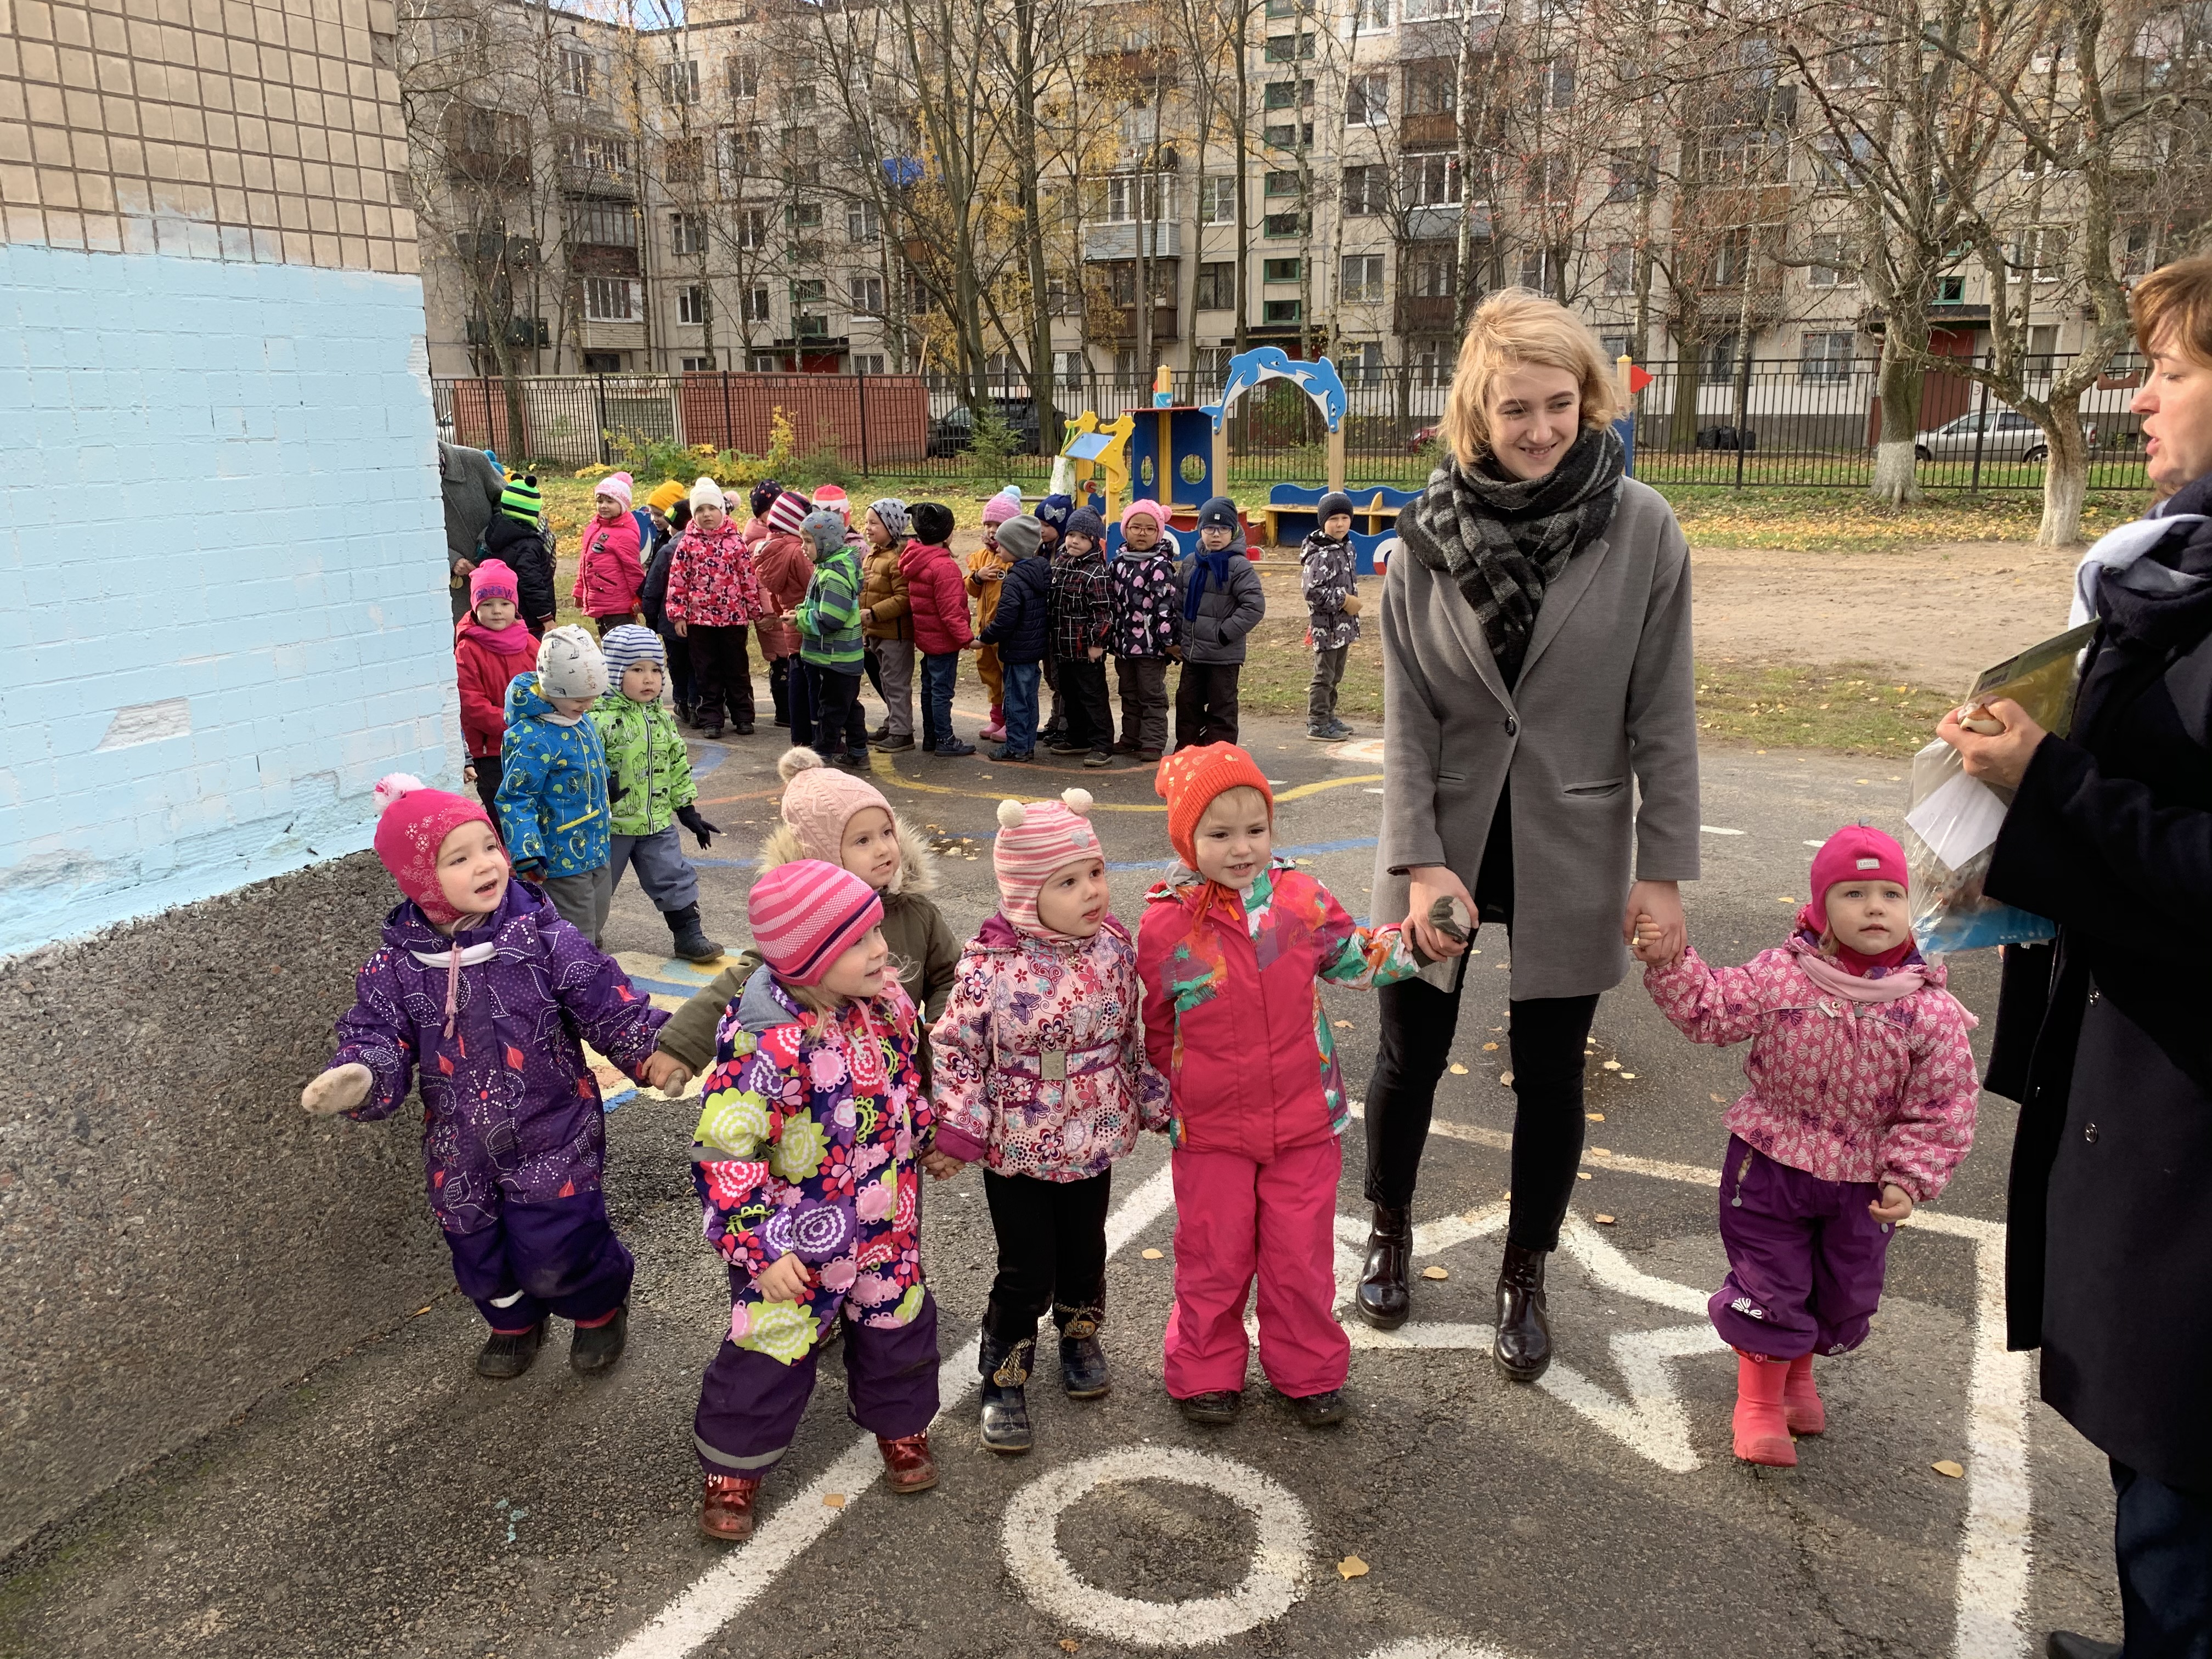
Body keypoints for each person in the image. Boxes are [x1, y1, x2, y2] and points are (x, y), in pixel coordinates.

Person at [1938, 252, 2212, 1659]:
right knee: (2152, 1447)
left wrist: (2048, 780)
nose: (2139, 398)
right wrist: (2023, 786)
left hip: (2191, 1090)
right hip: (2139, 1063)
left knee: (2184, 1460)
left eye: (2169, 371)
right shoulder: (2173, 567)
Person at [1358, 289, 1699, 1387]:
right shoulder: (1423, 537)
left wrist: (1663, 871)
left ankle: (1524, 1269)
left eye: (1558, 404)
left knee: (1551, 1074)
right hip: (1441, 837)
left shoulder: (1642, 528)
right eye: (1516, 409)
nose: (1541, 428)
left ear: (1587, 398)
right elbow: (1407, 718)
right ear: (1477, 409)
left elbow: (1663, 712)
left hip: (1573, 838)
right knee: (1408, 1054)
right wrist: (1419, 859)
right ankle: (1388, 1229)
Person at [1633, 826, 1978, 1466]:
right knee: (1770, 1284)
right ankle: (1758, 1404)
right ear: (1821, 908)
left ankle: (1796, 1376)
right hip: (1770, 1163)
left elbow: (1944, 1105)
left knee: (1841, 1293)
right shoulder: (1784, 978)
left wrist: (1908, 1176)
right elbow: (1713, 1009)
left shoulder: (1927, 1011)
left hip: (1862, 1181)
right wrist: (1669, 963)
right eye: (1853, 893)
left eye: (1891, 894)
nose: (1874, 908)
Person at [301, 774, 665, 1379]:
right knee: (474, 1240)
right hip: (459, 1139)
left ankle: (598, 1309)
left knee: (561, 1238)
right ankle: (513, 1322)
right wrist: (363, 1072)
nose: (487, 865)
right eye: (459, 858)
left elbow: (605, 999)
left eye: (490, 846)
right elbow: (376, 1029)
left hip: (553, 1126)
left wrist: (651, 1050)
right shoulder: (396, 966)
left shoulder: (542, 938)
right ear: (420, 878)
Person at [1137, 744, 1424, 1427]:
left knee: (1301, 1259)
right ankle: (1205, 1370)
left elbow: (1356, 957)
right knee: (1213, 1258)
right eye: (1220, 834)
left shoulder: (1300, 901)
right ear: (1186, 839)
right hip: (1211, 1132)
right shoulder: (1168, 926)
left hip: (1305, 1123)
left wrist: (1421, 942)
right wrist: (1159, 1097)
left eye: (1256, 829)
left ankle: (1309, 1370)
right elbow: (1153, 1024)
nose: (1242, 848)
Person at [687, 859, 945, 1543]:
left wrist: (926, 1135)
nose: (882, 950)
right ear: (810, 959)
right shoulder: (765, 1042)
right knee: (768, 1348)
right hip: (794, 1244)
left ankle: (901, 1426)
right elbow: (727, 1153)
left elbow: (902, 1087)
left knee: (897, 1327)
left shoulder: (887, 1008)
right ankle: (734, 1465)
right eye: (860, 941)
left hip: (886, 1220)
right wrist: (759, 1246)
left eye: (877, 933)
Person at [928, 790, 1168, 1452]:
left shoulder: (1113, 948)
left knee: (1085, 1252)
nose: (1091, 891)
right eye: (1067, 881)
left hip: (1093, 1132)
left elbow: (1132, 1036)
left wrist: (1154, 1098)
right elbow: (956, 1049)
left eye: (1095, 872)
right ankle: (1004, 1374)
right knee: (1027, 1267)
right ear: (1024, 893)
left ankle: (1080, 1336)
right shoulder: (989, 966)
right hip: (1018, 1144)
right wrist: (960, 1129)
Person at [650, 746, 959, 1095]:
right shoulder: (804, 918)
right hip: (824, 1085)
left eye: (887, 832)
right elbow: (743, 982)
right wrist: (682, 1046)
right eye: (862, 840)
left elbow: (950, 974)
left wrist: (946, 1019)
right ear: (821, 851)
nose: (883, 849)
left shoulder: (915, 911)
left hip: (903, 1081)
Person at [591, 627, 725, 964]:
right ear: (613, 673)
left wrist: (687, 809)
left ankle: (689, 934)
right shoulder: (597, 719)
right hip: (611, 825)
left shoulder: (661, 719)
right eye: (637, 670)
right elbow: (583, 766)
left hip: (656, 822)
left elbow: (676, 764)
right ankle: (583, 936)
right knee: (596, 887)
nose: (649, 679)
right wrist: (600, 786)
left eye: (655, 669)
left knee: (673, 875)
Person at [495, 625, 617, 947]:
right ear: (553, 690)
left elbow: (590, 758)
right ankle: (576, 967)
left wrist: (606, 781)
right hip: (560, 853)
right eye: (579, 699)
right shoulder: (533, 738)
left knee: (598, 913)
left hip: (597, 842)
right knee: (576, 926)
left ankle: (587, 956)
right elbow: (515, 798)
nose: (587, 706)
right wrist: (526, 852)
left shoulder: (579, 719)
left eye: (593, 698)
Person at [667, 477, 767, 741]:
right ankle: (711, 718)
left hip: (733, 619)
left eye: (712, 508)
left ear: (722, 510)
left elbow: (748, 579)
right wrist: (678, 615)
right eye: (700, 510)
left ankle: (743, 715)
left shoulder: (736, 542)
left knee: (737, 669)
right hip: (699, 621)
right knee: (706, 671)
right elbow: (677, 581)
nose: (707, 514)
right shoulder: (687, 544)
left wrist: (754, 610)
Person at [1174, 497, 1265, 750]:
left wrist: (1223, 634)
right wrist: (1180, 637)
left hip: (1223, 655)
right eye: (1210, 528)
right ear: (1200, 529)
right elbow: (1179, 602)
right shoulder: (1191, 562)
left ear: (1233, 532)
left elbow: (1254, 606)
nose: (1216, 534)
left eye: (1224, 528)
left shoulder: (1239, 566)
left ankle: (1220, 754)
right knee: (1187, 703)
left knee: (1222, 706)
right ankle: (1187, 751)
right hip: (1193, 653)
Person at [454, 559, 538, 817]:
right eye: (487, 604)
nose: (497, 611)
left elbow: (548, 685)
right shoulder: (468, 649)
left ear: (516, 606)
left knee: (535, 808)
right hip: (492, 750)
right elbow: (471, 703)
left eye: (505, 604)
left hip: (534, 744)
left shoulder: (530, 643)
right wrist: (514, 724)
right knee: (502, 813)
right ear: (475, 606)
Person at [795, 507, 870, 766]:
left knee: (831, 709)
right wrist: (801, 611)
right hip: (842, 655)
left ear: (826, 542)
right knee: (848, 706)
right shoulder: (826, 567)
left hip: (835, 656)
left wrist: (799, 620)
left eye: (808, 541)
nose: (803, 547)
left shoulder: (834, 574)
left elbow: (831, 618)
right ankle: (858, 751)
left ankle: (821, 756)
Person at [902, 502, 977, 757]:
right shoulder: (944, 568)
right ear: (947, 535)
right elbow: (951, 612)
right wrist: (968, 639)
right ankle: (945, 738)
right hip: (944, 642)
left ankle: (932, 736)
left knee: (929, 689)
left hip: (927, 638)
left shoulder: (917, 560)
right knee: (942, 692)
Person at [1109, 499, 1181, 763]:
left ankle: (1152, 742)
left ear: (1158, 533)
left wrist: (1169, 641)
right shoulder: (1117, 563)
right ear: (1125, 530)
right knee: (1128, 692)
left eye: (1150, 529)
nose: (1142, 533)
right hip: (1124, 644)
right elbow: (1111, 603)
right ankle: (1131, 736)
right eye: (1136, 527)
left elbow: (1166, 607)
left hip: (1151, 646)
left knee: (1151, 694)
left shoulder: (1160, 566)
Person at [1048, 507, 1116, 768]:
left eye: (1083, 537)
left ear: (1094, 541)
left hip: (1086, 649)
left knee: (1093, 696)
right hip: (1062, 646)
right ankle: (1078, 737)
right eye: (1071, 535)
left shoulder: (1096, 572)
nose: (1074, 541)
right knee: (1070, 694)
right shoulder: (1061, 564)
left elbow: (1104, 612)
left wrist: (1098, 643)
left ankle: (1102, 744)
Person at [980, 514, 1049, 764]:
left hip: (1017, 651)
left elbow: (1005, 621)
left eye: (1003, 544)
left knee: (1016, 701)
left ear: (1017, 547)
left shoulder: (1014, 581)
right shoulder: (1040, 572)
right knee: (1029, 700)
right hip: (1033, 650)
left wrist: (983, 639)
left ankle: (1016, 747)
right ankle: (1026, 745)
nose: (997, 548)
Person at [751, 489, 815, 731]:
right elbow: (814, 587)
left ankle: (799, 732)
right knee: (812, 682)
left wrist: (781, 615)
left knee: (797, 677)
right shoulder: (798, 552)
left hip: (790, 624)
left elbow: (773, 594)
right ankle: (816, 729)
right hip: (808, 621)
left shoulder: (768, 551)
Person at [1300, 490, 1361, 742]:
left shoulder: (1346, 547)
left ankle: (1329, 716)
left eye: (1345, 518)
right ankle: (1317, 722)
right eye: (1333, 519)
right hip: (1326, 627)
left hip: (1343, 626)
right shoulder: (1320, 554)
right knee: (1324, 676)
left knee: (1336, 674)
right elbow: (1312, 592)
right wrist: (1344, 600)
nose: (1340, 524)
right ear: (1323, 522)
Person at [859, 498, 917, 752]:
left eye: (874, 523)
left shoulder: (896, 559)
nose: (868, 528)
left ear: (891, 526)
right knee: (885, 681)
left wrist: (873, 613)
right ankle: (893, 723)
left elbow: (904, 598)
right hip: (877, 631)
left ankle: (902, 732)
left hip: (895, 634)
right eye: (867, 522)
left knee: (896, 683)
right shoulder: (874, 555)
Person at [968, 487, 1025, 741]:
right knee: (990, 674)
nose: (992, 530)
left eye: (999, 525)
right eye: (988, 524)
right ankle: (997, 718)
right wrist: (977, 577)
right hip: (985, 629)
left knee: (1008, 676)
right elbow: (971, 590)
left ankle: (1012, 721)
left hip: (1006, 630)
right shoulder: (981, 557)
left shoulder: (1013, 557)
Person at [639, 488, 694, 725]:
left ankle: (683, 701)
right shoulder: (700, 546)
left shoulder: (669, 550)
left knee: (678, 664)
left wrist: (652, 621)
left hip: (671, 621)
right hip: (699, 622)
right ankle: (698, 702)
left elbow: (652, 589)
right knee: (697, 663)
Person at [439, 440, 505, 623]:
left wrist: (488, 539)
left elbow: (509, 506)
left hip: (498, 576)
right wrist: (450, 559)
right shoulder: (399, 477)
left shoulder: (474, 461)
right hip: (450, 590)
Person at [483, 473, 556, 638]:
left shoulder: (497, 533)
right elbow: (531, 582)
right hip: (530, 620)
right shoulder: (528, 545)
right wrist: (546, 617)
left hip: (509, 612)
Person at [573, 473, 646, 636]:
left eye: (610, 501)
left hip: (619, 606)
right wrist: (580, 591)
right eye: (600, 501)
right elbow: (585, 562)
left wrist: (638, 597)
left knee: (622, 645)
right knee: (607, 643)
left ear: (622, 504)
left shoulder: (625, 534)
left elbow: (633, 570)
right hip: (600, 601)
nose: (604, 506)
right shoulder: (594, 528)